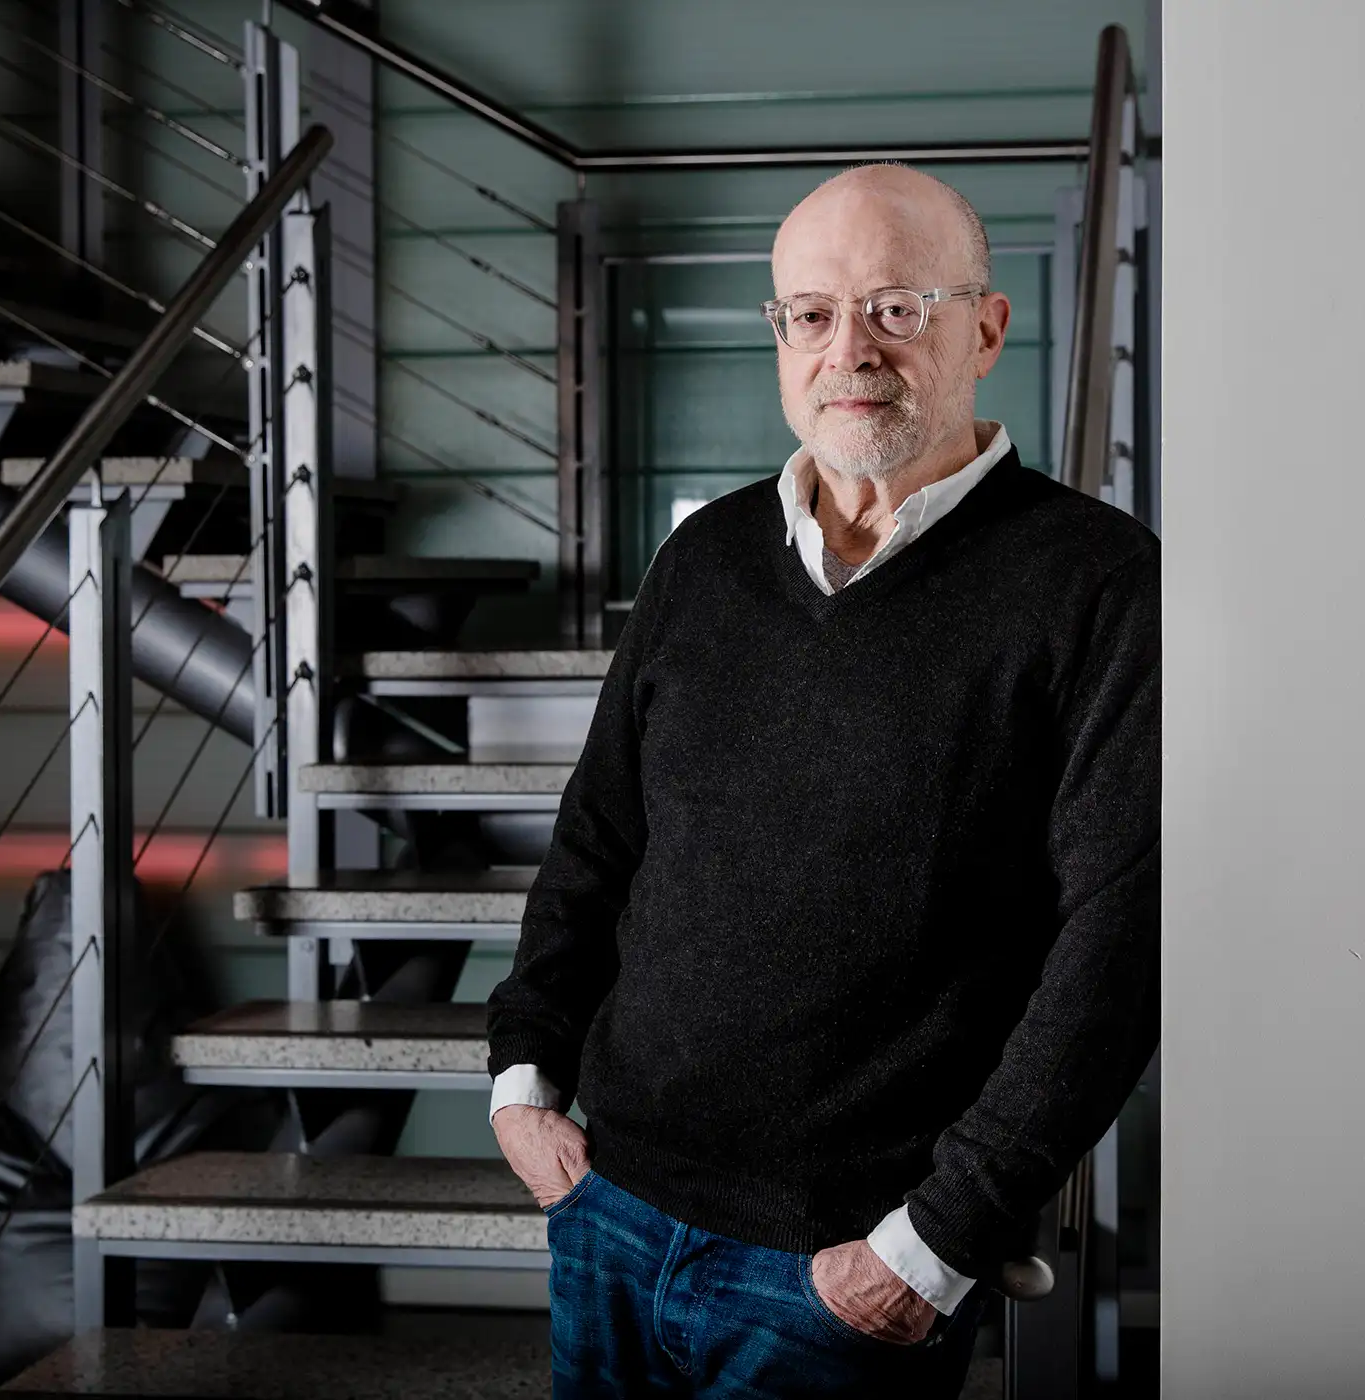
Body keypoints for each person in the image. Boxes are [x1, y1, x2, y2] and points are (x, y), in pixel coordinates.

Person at [486, 162, 1161, 1399]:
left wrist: (936, 1240)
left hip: (844, 1266)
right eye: (811, 312)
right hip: (609, 1209)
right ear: (780, 335)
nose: (850, 347)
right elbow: (598, 837)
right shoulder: (703, 557)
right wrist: (525, 1074)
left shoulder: (1098, 583)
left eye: (898, 307)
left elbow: (1117, 949)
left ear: (986, 330)